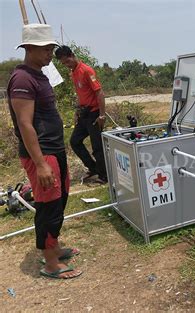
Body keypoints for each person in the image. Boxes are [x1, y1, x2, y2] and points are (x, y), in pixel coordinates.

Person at [7, 24, 82, 279]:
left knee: (59, 201)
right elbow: (25, 124)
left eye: (51, 47)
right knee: (48, 204)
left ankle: (55, 247)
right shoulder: (22, 78)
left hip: (54, 149)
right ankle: (50, 262)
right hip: (42, 153)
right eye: (46, 48)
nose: (51, 52)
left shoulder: (39, 74)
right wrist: (40, 164)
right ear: (29, 48)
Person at [55, 45, 107, 183]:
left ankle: (104, 176)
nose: (66, 65)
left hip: (94, 113)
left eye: (67, 61)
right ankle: (93, 168)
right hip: (84, 114)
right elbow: (80, 94)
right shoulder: (73, 72)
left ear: (72, 55)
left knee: (97, 147)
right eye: (63, 63)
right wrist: (77, 111)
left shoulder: (86, 70)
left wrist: (102, 115)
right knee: (75, 141)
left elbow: (99, 92)